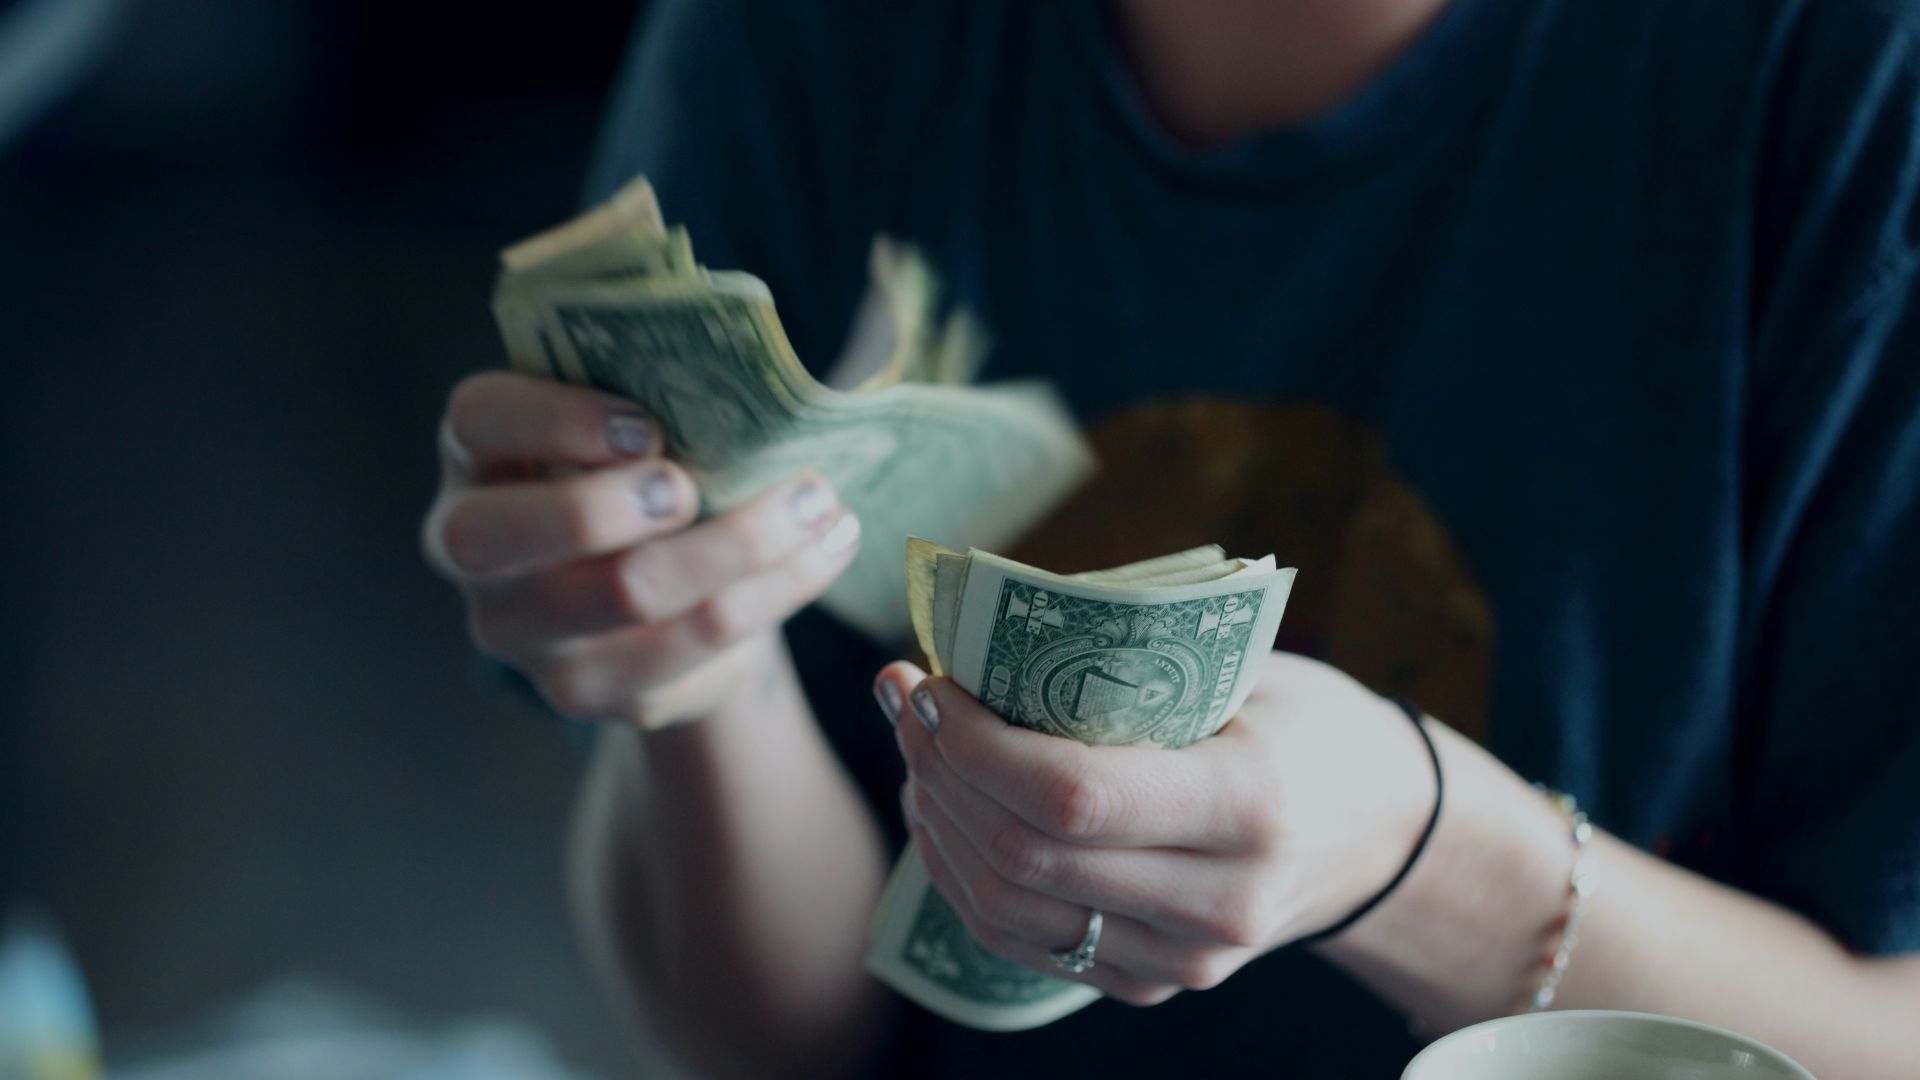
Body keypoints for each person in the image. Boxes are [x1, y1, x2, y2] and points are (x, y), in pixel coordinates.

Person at [422, 1, 1920, 1076]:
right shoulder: (802, 40)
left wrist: (1423, 858)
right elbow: (782, 1040)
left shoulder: (1854, 84)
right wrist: (691, 679)